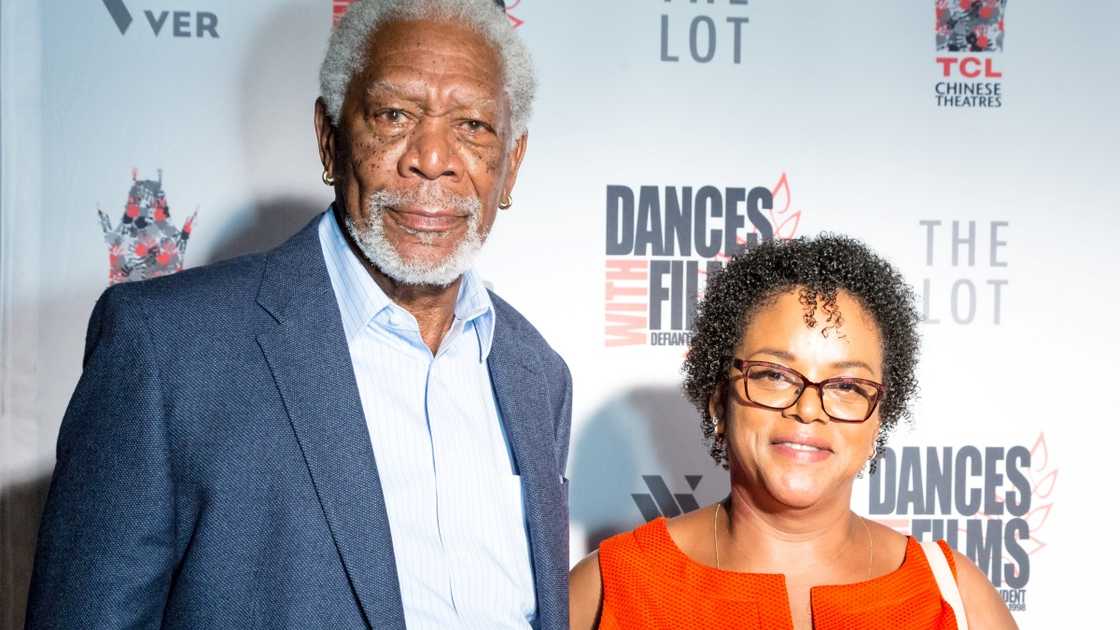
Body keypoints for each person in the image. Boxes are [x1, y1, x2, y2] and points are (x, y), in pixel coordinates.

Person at [26, 1, 571, 628]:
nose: (432, 158)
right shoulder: (167, 350)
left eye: (473, 125)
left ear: (512, 164)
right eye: (395, 115)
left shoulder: (539, 375)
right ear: (329, 138)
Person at [569, 236, 1016, 629]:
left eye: (846, 386)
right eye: (774, 375)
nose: (807, 409)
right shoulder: (611, 587)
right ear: (717, 402)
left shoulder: (955, 600)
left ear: (881, 415)